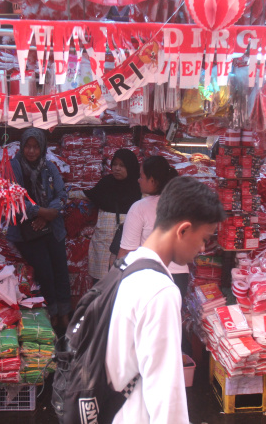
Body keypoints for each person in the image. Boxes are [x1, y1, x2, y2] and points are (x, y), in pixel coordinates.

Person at [107, 176, 225, 423]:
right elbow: (166, 393)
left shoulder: (127, 265)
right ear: (183, 230)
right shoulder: (160, 291)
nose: (203, 250)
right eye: (204, 239)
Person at [8, 128, 72, 332]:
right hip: (27, 231)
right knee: (45, 272)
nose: (32, 151)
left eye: (36, 147)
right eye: (28, 146)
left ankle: (64, 314)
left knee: (61, 270)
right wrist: (41, 212)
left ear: (42, 147)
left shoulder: (49, 167)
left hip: (52, 227)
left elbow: (62, 193)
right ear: (22, 146)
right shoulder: (14, 167)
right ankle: (52, 313)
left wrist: (47, 215)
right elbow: (14, 198)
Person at [118, 156, 189, 298]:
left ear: (152, 180)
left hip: (150, 278)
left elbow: (126, 251)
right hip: (179, 278)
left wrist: (116, 280)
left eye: (141, 177)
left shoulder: (140, 208)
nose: (138, 180)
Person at [82, 148, 141, 282]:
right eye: (114, 164)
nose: (117, 169)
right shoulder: (106, 183)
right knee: (101, 280)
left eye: (122, 165)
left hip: (126, 240)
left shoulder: (138, 187)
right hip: (104, 239)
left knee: (124, 279)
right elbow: (90, 194)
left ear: (130, 167)